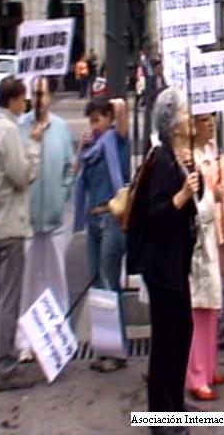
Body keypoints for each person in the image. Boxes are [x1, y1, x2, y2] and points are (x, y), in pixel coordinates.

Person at [132, 87, 202, 434]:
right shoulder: (160, 160)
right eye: (186, 114)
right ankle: (160, 416)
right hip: (162, 267)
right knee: (165, 340)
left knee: (182, 333)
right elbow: (156, 213)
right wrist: (182, 195)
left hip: (176, 264)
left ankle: (173, 403)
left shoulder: (176, 158)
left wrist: (193, 185)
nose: (191, 119)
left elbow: (190, 204)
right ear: (174, 124)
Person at [0, 76, 45, 390]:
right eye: (23, 99)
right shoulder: (8, 131)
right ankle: (7, 366)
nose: (26, 104)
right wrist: (33, 147)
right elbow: (22, 176)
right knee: (8, 298)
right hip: (10, 224)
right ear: (13, 100)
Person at [16, 77, 75, 359]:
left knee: (56, 280)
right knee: (29, 282)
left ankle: (57, 338)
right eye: (34, 95)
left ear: (50, 96)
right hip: (27, 221)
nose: (38, 100)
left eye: (42, 94)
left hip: (53, 221)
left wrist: (62, 195)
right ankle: (26, 340)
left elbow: (69, 168)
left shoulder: (62, 129)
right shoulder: (21, 128)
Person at [74, 95, 130, 373]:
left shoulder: (115, 140)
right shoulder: (92, 149)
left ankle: (117, 350)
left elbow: (122, 115)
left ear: (107, 119)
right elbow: (77, 176)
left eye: (98, 119)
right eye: (91, 120)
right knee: (98, 284)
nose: (94, 126)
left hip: (112, 218)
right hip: (94, 219)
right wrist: (80, 152)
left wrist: (116, 105)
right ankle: (104, 347)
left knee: (109, 282)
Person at [186, 112, 224, 401]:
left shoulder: (209, 152)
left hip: (212, 238)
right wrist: (213, 196)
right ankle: (196, 375)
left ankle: (211, 364)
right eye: (204, 119)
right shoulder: (189, 158)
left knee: (213, 305)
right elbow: (194, 202)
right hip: (198, 242)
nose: (211, 123)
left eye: (213, 118)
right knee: (199, 308)